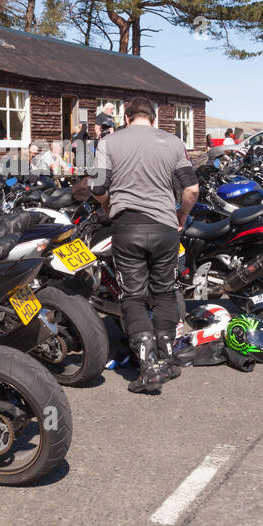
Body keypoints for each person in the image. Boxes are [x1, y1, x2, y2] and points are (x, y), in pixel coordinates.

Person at [91, 96, 199, 394]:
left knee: (133, 296)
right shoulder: (174, 142)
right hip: (166, 227)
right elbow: (191, 188)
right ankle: (167, 359)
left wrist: (107, 205)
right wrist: (181, 216)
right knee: (165, 291)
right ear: (154, 119)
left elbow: (98, 187)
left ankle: (148, 367)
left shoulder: (109, 144)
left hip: (128, 227)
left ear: (126, 119)